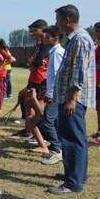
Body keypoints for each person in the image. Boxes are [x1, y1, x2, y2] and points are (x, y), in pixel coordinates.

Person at [48, 4, 95, 195]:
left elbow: (79, 72)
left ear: (68, 19)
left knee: (72, 140)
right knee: (75, 138)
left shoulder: (80, 40)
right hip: (69, 97)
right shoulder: (74, 39)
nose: (56, 23)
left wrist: (72, 98)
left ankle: (73, 183)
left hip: (73, 99)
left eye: (58, 19)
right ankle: (76, 175)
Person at [38, 25, 65, 164]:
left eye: (48, 36)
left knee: (47, 121)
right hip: (52, 92)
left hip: (55, 93)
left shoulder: (57, 52)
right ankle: (57, 148)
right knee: (51, 121)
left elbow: (57, 75)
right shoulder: (53, 52)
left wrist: (50, 93)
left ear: (56, 38)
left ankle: (57, 149)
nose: (45, 38)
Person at [92, 21, 100, 144]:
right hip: (99, 81)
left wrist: (96, 66)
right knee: (99, 107)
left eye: (97, 31)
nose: (95, 33)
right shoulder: (99, 46)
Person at [0, 38, 15, 111]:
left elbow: (12, 59)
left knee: (0, 90)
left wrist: (3, 63)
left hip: (1, 72)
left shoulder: (1, 51)